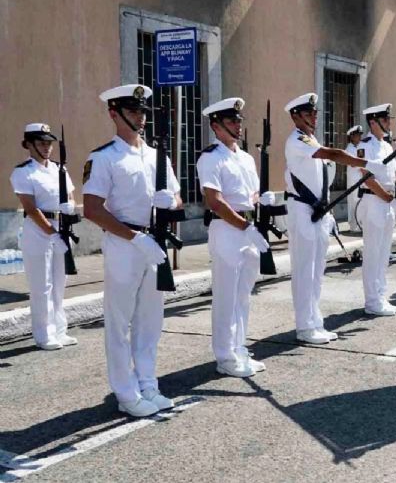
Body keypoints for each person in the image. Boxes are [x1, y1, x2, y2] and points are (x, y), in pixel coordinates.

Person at [83, 84, 182, 417]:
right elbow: (93, 209)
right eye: (133, 111)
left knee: (150, 321)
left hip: (154, 243)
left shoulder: (157, 155)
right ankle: (125, 393)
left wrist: (172, 202)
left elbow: (178, 197)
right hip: (125, 244)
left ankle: (148, 384)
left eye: (142, 111)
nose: (140, 117)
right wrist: (133, 238)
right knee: (120, 322)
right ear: (115, 114)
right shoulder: (104, 157)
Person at [282, 93, 390, 342]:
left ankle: (314, 321)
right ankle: (304, 327)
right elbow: (332, 154)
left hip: (317, 212)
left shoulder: (310, 139)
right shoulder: (298, 140)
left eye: (315, 113)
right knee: (304, 270)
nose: (313, 117)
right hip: (301, 211)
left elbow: (319, 181)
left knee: (317, 270)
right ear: (295, 116)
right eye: (308, 113)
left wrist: (328, 212)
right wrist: (367, 163)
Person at [197, 97, 269, 378]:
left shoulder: (246, 158)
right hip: (227, 230)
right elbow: (214, 201)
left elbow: (248, 194)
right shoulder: (210, 157)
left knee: (243, 296)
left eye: (239, 121)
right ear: (216, 126)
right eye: (231, 122)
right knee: (226, 296)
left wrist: (260, 199)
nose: (237, 126)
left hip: (247, 228)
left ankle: (239, 348)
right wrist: (245, 226)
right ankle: (225, 356)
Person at [11, 123, 77, 350]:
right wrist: (52, 233)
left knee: (60, 283)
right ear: (28, 145)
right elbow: (30, 208)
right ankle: (44, 334)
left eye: (49, 143)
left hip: (62, 227)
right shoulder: (23, 172)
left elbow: (69, 196)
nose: (47, 147)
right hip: (39, 231)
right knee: (42, 285)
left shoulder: (60, 169)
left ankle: (60, 330)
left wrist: (70, 209)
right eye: (41, 143)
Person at [356, 103, 396, 316]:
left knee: (385, 252)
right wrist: (389, 198)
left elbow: (388, 176)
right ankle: (372, 301)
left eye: (388, 119)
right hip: (374, 202)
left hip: (387, 202)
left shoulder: (386, 146)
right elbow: (366, 178)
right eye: (385, 119)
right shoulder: (366, 145)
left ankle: (381, 296)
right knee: (373, 252)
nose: (388, 123)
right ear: (373, 122)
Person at [344, 124, 364, 232]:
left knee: (360, 201)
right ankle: (353, 225)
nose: (359, 137)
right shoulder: (349, 149)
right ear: (351, 137)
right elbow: (353, 163)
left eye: (360, 135)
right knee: (354, 200)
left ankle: (359, 223)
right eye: (357, 135)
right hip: (354, 178)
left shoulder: (359, 148)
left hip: (360, 177)